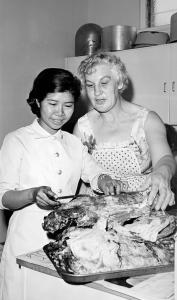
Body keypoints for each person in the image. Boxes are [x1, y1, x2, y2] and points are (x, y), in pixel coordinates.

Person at [0, 68, 124, 300]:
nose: (60, 113)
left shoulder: (74, 143)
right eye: (52, 103)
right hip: (25, 240)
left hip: (66, 239)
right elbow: (4, 196)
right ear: (37, 101)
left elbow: (94, 174)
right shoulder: (17, 140)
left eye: (68, 105)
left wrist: (105, 180)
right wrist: (32, 194)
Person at [73, 51, 176, 211]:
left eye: (104, 83)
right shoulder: (82, 128)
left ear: (119, 83)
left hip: (145, 207)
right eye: (90, 85)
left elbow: (165, 158)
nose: (97, 92)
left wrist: (162, 172)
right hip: (100, 212)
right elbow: (76, 176)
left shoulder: (147, 120)